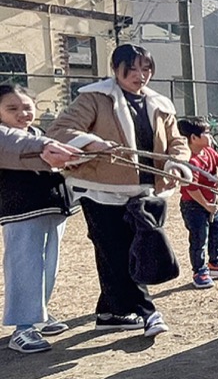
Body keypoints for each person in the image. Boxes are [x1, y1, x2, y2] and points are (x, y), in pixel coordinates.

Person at [48, 44, 189, 337]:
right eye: (133, 69)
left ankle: (110, 311)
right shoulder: (95, 98)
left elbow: (177, 142)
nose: (140, 75)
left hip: (147, 189)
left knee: (134, 248)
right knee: (119, 251)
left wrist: (176, 164)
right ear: (116, 69)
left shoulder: (160, 104)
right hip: (102, 190)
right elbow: (60, 131)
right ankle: (148, 312)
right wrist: (92, 143)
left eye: (146, 69)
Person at [1, 84, 78, 353]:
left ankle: (39, 314)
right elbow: (19, 145)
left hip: (52, 207)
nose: (22, 113)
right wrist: (50, 146)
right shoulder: (7, 136)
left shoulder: (39, 133)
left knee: (48, 266)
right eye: (12, 109)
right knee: (24, 266)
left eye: (27, 107)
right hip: (20, 210)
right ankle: (22, 328)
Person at [177, 118, 218, 289]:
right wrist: (206, 205)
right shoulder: (191, 161)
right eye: (205, 133)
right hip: (194, 205)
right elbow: (191, 188)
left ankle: (216, 263)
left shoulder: (209, 152)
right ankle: (199, 270)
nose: (210, 136)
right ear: (193, 138)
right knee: (199, 238)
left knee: (217, 230)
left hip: (210, 202)